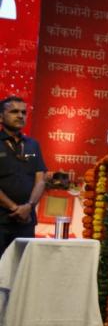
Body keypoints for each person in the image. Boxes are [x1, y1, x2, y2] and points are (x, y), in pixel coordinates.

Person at [0, 96, 46, 254]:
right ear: (1, 117)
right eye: (14, 112)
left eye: (23, 112)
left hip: (26, 221)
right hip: (2, 220)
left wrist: (29, 206)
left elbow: (40, 180)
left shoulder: (32, 145)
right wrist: (14, 208)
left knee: (23, 266)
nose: (20, 115)